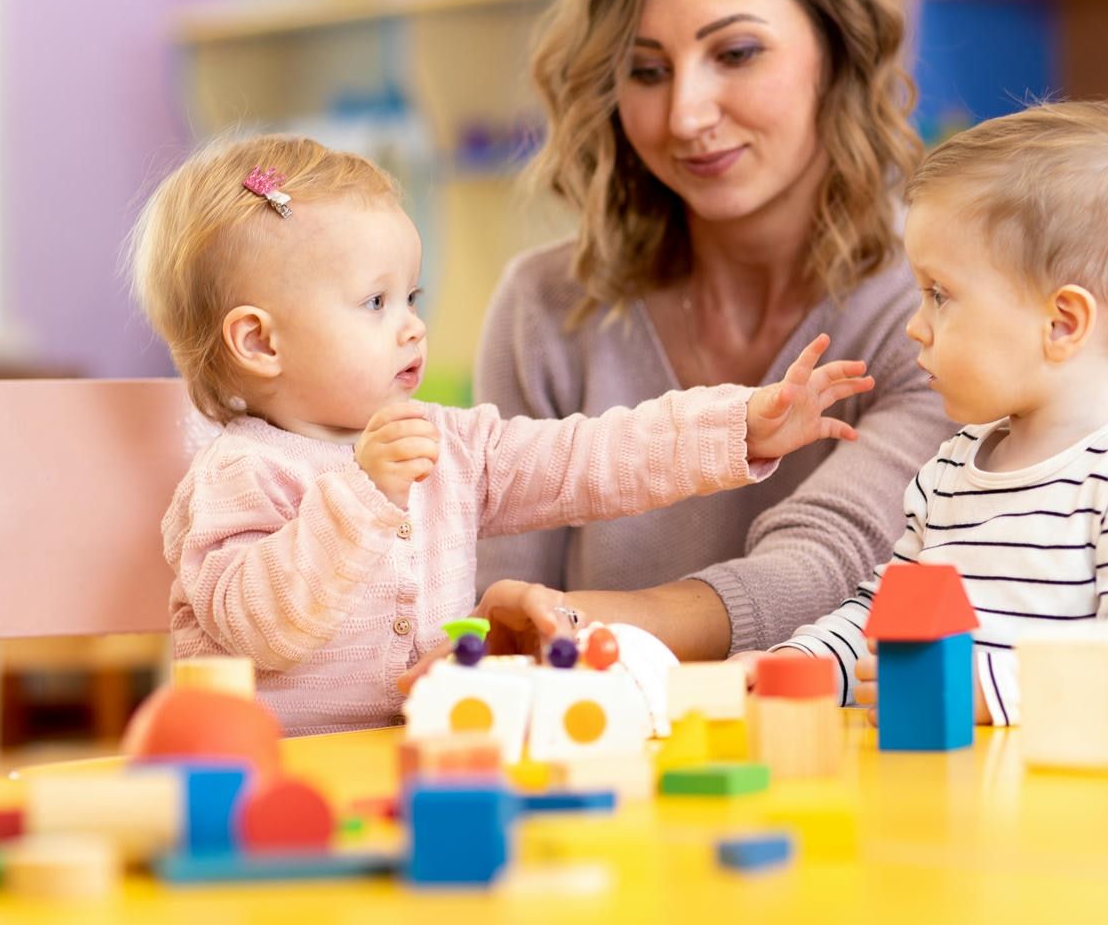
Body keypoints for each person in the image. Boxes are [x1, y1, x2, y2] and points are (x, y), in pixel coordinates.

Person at [126, 133, 873, 735]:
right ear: (260, 342)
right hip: (276, 777)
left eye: (410, 295)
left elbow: (587, 458)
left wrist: (738, 426)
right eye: (375, 301)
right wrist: (364, 494)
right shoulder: (239, 474)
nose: (413, 325)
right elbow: (262, 628)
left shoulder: (448, 442)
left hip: (428, 749)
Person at [472, 0, 953, 662]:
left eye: (735, 54)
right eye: (645, 70)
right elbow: (491, 604)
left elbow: (828, 568)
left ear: (835, 49)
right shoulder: (545, 311)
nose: (687, 114)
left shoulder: (934, 301)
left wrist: (569, 628)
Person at [764, 101, 1108, 725]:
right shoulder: (948, 473)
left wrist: (992, 690)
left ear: (1062, 323)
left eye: (940, 295)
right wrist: (794, 666)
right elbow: (882, 622)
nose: (913, 327)